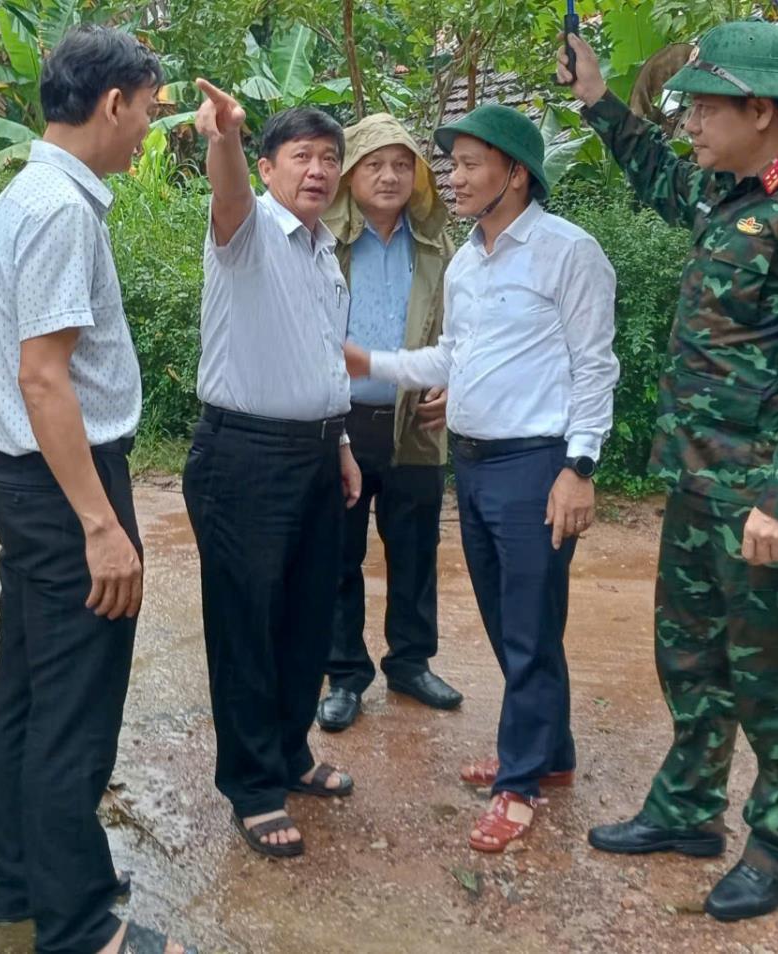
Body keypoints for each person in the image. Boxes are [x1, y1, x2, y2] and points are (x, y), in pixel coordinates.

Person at [561, 21, 778, 921]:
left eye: (704, 105)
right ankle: (690, 808)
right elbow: (660, 176)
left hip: (765, 498)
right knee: (691, 657)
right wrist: (598, 101)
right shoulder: (735, 189)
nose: (689, 121)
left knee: (773, 674)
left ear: (761, 108)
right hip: (700, 480)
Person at [0, 26, 196, 954]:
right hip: (68, 485)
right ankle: (78, 929)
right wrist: (102, 525)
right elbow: (44, 378)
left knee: (26, 696)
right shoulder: (61, 210)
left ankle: (27, 891)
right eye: (147, 109)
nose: (149, 129)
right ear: (114, 103)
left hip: (25, 481)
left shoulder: (26, 194)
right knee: (74, 709)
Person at [345, 104, 619, 853]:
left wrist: (580, 466)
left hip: (537, 463)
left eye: (469, 165)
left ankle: (519, 783)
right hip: (470, 460)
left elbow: (596, 365)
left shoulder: (569, 252)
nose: (452, 178)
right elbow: (452, 358)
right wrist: (371, 363)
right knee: (505, 619)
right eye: (454, 164)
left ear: (515, 174)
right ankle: (549, 751)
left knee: (530, 625)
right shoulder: (466, 260)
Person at [183, 81, 362, 858]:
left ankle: (289, 753)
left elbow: (321, 361)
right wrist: (223, 136)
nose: (317, 170)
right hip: (245, 456)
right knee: (246, 626)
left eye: (329, 158)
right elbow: (227, 194)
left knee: (305, 618)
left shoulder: (327, 253)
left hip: (319, 452)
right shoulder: (247, 230)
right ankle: (252, 785)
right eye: (301, 156)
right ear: (268, 166)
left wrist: (344, 445)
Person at [315, 112, 461, 734]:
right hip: (340, 421)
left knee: (415, 548)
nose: (389, 175)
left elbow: (464, 334)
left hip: (416, 422)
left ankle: (410, 662)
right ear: (351, 174)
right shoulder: (323, 242)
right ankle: (345, 675)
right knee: (338, 554)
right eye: (374, 163)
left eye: (403, 164)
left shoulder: (439, 249)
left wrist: (452, 384)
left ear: (419, 177)